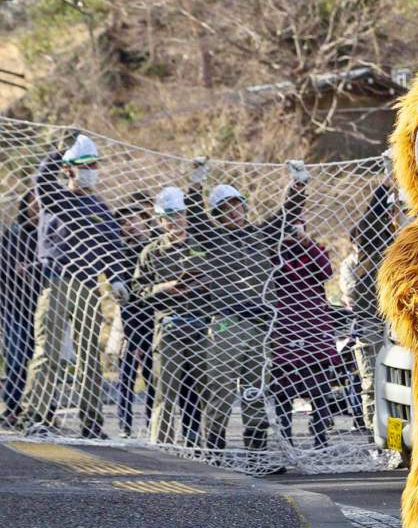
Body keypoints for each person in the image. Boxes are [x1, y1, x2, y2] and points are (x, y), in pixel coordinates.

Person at [21, 134, 128, 439]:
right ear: (69, 169)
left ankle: (92, 423)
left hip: (87, 286)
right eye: (86, 165)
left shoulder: (100, 207)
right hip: (56, 283)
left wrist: (117, 276)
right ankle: (36, 417)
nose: (93, 169)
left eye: (96, 164)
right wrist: (58, 151)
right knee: (48, 353)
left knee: (89, 358)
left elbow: (112, 247)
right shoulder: (55, 197)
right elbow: (40, 179)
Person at [201, 161, 308, 458]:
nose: (234, 212)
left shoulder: (260, 234)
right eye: (227, 209)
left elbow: (287, 215)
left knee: (256, 391)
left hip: (259, 324)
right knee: (220, 387)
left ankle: (257, 452)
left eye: (237, 206)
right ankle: (213, 449)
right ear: (218, 215)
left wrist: (297, 186)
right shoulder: (213, 238)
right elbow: (196, 220)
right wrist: (196, 185)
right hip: (227, 323)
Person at [133, 175, 210, 448]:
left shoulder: (204, 246)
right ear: (159, 220)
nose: (173, 222)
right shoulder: (151, 252)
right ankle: (162, 444)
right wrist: (166, 287)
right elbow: (139, 291)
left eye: (178, 215)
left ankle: (201, 441)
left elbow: (223, 281)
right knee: (165, 390)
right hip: (168, 326)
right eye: (167, 217)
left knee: (201, 388)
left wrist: (201, 284)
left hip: (204, 327)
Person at [269, 215, 338, 449]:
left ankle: (320, 435)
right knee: (283, 389)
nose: (293, 232)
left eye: (298, 227)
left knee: (319, 386)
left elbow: (325, 270)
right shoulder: (275, 252)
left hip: (314, 326)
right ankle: (285, 436)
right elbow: (276, 273)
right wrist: (281, 242)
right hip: (285, 326)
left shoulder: (314, 249)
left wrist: (307, 243)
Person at [0, 190, 46, 426]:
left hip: (43, 307)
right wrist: (15, 271)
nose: (38, 209)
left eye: (42, 205)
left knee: (41, 359)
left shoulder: (50, 233)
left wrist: (33, 269)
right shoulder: (12, 234)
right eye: (34, 204)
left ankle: (42, 409)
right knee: (17, 357)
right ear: (26, 206)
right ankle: (12, 406)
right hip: (13, 307)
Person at [338, 183, 396, 433]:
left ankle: (395, 442)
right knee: (373, 383)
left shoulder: (403, 242)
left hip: (396, 324)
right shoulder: (367, 251)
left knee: (397, 386)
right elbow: (372, 218)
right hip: (369, 324)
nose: (395, 215)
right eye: (391, 211)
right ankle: (376, 439)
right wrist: (385, 183)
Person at [115, 194, 156, 438]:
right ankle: (124, 423)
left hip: (154, 315)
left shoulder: (154, 247)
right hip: (129, 319)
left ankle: (151, 419)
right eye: (125, 221)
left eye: (135, 220)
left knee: (153, 373)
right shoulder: (118, 251)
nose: (130, 225)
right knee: (127, 372)